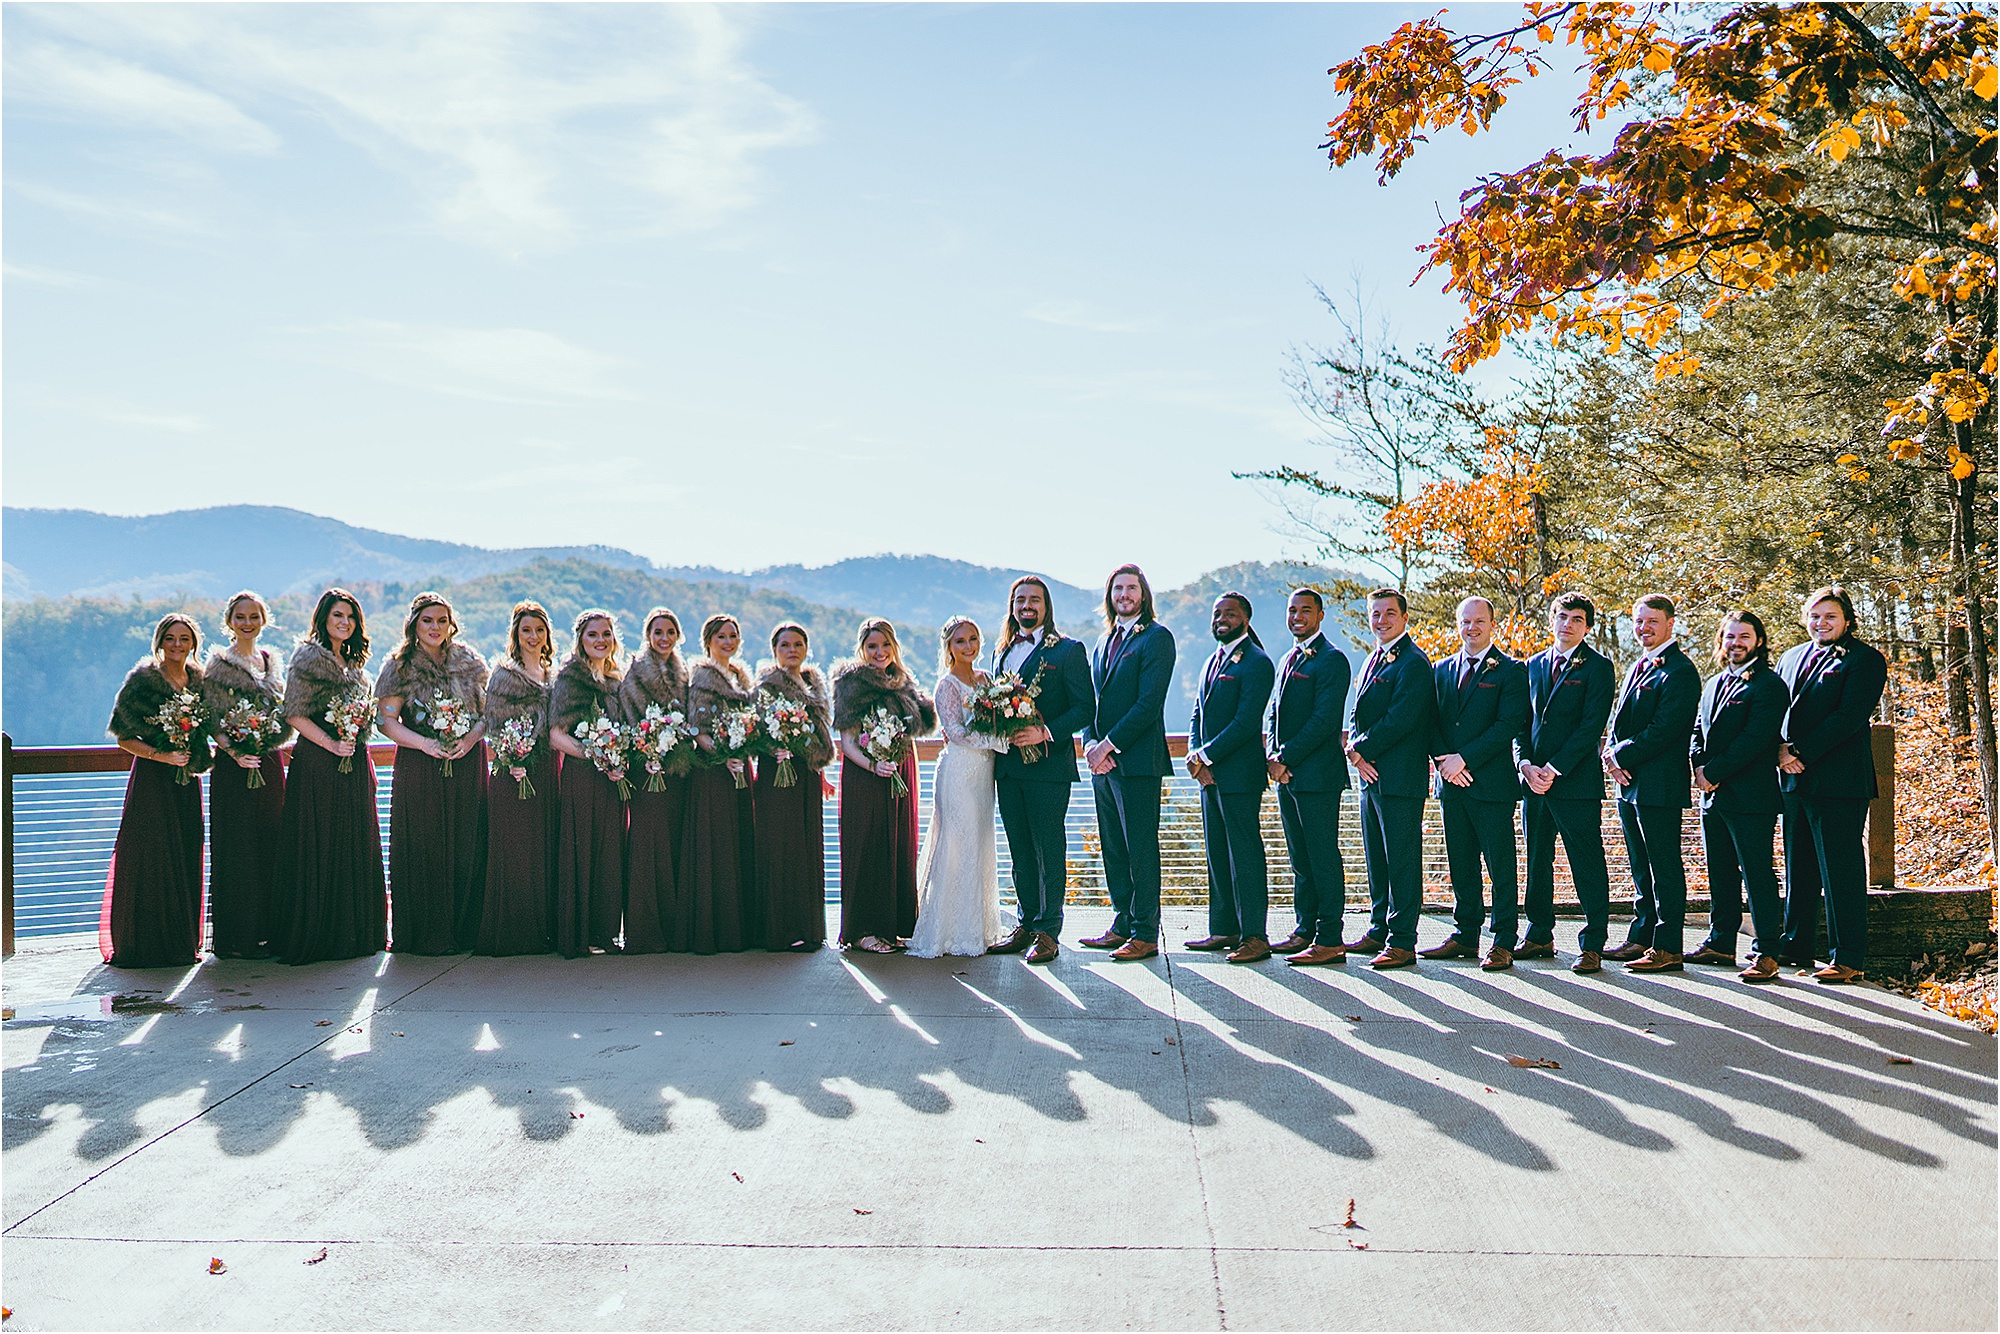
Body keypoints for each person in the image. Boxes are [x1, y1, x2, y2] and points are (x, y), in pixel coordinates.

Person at [1774, 586, 1889, 984]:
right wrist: (1779, 752)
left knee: (1840, 870)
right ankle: (1795, 944)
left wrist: (1799, 751)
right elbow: (1772, 708)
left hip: (1839, 781)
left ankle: (1848, 956)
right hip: (1791, 780)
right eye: (1815, 616)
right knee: (1798, 866)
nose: (1821, 623)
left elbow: (1849, 717)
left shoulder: (1866, 660)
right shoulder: (1790, 658)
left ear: (1848, 621)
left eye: (1830, 617)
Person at [274, 589, 388, 965]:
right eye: (338, 615)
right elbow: (293, 713)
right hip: (319, 762)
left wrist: (353, 736)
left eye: (351, 617)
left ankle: (351, 933)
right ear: (323, 618)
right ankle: (319, 933)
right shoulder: (307, 659)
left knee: (352, 839)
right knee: (320, 840)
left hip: (353, 762)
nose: (345, 622)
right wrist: (329, 742)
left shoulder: (355, 663)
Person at [986, 576, 1094, 965]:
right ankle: (1026, 923)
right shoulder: (1001, 652)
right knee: (1019, 851)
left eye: (1034, 600)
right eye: (1020, 600)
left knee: (1049, 849)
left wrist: (1044, 732)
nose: (1026, 606)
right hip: (1008, 769)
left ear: (1046, 607)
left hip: (1049, 770)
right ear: (1012, 606)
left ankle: (1049, 931)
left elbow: (1085, 709)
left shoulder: (1067, 650)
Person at [375, 592, 489, 955]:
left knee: (466, 841)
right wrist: (424, 744)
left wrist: (470, 741)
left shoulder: (470, 662)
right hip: (420, 765)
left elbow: (490, 712)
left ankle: (466, 929)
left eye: (442, 620)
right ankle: (426, 932)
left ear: (451, 624)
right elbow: (386, 722)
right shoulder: (399, 665)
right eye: (428, 620)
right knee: (424, 845)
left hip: (466, 761)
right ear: (414, 624)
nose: (435, 627)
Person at [1421, 597, 1531, 970]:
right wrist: (1444, 762)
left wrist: (1463, 759)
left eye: (1479, 621)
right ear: (1458, 624)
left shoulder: (1511, 671)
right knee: (1462, 863)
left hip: (1491, 784)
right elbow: (1429, 722)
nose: (1472, 627)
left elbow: (1508, 725)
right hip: (1451, 784)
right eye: (1465, 621)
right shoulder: (1440, 670)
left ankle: (1502, 940)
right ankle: (1466, 934)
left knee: (1500, 865)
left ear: (1492, 624)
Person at [101, 613, 212, 968]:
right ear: (159, 642)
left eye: (184, 638)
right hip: (152, 780)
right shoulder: (142, 681)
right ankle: (144, 944)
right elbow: (123, 736)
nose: (177, 645)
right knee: (150, 856)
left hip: (186, 781)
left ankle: (180, 943)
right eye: (170, 638)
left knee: (183, 851)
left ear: (194, 643)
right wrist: (161, 755)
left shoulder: (200, 681)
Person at [1516, 593, 1617, 973]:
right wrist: (1525, 765)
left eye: (1577, 619)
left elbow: (1591, 727)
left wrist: (1553, 768)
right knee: (1537, 861)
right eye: (1561, 616)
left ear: (1587, 626)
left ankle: (1593, 943)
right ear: (1551, 620)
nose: (1567, 624)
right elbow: (1520, 724)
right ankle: (1539, 933)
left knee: (1586, 862)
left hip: (1575, 783)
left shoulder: (1598, 667)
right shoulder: (1532, 665)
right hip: (1533, 784)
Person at [1081, 564, 1177, 963]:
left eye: (1131, 588)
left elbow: (1148, 704)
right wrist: (1089, 744)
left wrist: (1108, 745)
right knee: (1113, 848)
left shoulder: (1157, 638)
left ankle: (1144, 932)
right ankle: (1122, 921)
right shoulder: (1104, 642)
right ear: (1110, 596)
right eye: (1118, 588)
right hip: (1103, 764)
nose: (1124, 594)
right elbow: (1092, 701)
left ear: (1143, 594)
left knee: (1140, 847)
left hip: (1138, 761)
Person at [1602, 593, 1701, 973]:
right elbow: (1620, 720)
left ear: (1670, 624)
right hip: (1628, 783)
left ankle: (1668, 945)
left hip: (1658, 783)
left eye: (1651, 622)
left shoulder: (1679, 671)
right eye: (1639, 622)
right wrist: (1611, 757)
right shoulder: (1638, 665)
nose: (1643, 628)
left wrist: (1621, 755)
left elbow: (1665, 729)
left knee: (1663, 865)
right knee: (1640, 866)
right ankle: (1641, 936)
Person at [1688, 609, 1788, 979]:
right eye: (1730, 636)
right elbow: (1698, 729)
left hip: (1751, 796)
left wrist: (1713, 772)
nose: (1736, 643)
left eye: (1744, 636)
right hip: (1712, 795)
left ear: (1758, 641)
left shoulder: (1768, 685)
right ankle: (1720, 941)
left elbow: (1755, 739)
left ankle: (1766, 951)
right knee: (1720, 872)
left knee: (1756, 872)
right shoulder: (1714, 682)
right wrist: (1698, 767)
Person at [908, 616, 1013, 958]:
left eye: (972, 639)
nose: (968, 646)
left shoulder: (987, 680)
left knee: (980, 842)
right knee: (957, 845)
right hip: (958, 772)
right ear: (949, 648)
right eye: (960, 641)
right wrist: (998, 740)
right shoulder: (947, 685)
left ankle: (977, 929)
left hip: (984, 775)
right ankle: (947, 932)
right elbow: (953, 730)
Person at [833, 619, 936, 953]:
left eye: (886, 646)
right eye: (872, 646)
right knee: (868, 845)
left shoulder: (904, 684)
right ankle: (863, 930)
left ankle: (893, 926)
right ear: (862, 649)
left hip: (901, 771)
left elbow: (922, 725)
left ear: (895, 648)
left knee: (898, 844)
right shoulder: (851, 684)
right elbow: (847, 742)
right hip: (866, 776)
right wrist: (873, 764)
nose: (880, 653)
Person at [1345, 589, 1435, 969]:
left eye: (1388, 614)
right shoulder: (1372, 658)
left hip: (1399, 777)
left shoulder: (1413, 662)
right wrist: (1353, 746)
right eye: (1375, 614)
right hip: (1370, 776)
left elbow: (1402, 718)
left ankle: (1402, 940)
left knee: (1401, 860)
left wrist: (1361, 747)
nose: (1380, 621)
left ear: (1404, 618)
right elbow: (1356, 713)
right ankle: (1379, 928)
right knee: (1376, 860)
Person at [1184, 592, 1276, 963]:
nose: (1222, 619)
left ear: (1246, 619)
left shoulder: (1256, 662)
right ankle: (1224, 928)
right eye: (1217, 613)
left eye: (1230, 613)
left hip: (1240, 776)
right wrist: (1194, 754)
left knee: (1245, 854)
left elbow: (1245, 722)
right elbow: (1197, 714)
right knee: (1217, 853)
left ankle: (1255, 935)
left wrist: (1207, 754)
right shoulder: (1211, 660)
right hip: (1210, 776)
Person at [1265, 588, 1355, 966]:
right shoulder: (1288, 657)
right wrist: (1272, 753)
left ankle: (1330, 937)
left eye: (1306, 610)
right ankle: (1305, 929)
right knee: (1300, 857)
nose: (1298, 616)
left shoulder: (1333, 660)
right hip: (1287, 776)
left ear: (1320, 615)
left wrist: (1284, 757)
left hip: (1317, 776)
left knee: (1322, 856)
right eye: (1292, 610)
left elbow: (1324, 721)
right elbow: (1272, 711)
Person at [202, 591, 290, 959]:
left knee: (272, 842)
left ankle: (271, 932)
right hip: (234, 766)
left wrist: (267, 739)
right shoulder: (219, 665)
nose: (247, 622)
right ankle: (238, 937)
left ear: (263, 619)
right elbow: (210, 717)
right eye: (240, 616)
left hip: (267, 763)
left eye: (254, 616)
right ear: (229, 622)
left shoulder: (271, 662)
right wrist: (235, 751)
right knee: (237, 847)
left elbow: (284, 711)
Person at [476, 600, 558, 957]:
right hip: (514, 772)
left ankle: (544, 933)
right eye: (527, 630)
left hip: (547, 771)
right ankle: (513, 933)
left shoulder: (554, 678)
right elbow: (493, 725)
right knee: (516, 851)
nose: (533, 636)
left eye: (539, 630)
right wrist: (511, 758)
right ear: (515, 634)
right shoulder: (503, 677)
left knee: (544, 847)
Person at [679, 614, 761, 953]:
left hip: (739, 770)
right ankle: (714, 930)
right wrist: (724, 754)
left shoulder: (741, 676)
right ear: (708, 641)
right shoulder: (702, 677)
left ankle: (739, 928)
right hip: (713, 773)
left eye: (733, 636)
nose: (728, 642)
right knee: (716, 847)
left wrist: (742, 750)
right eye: (721, 637)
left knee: (739, 842)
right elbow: (697, 729)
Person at [550, 609, 628, 957]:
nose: (600, 641)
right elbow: (555, 736)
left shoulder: (616, 680)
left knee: (610, 851)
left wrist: (618, 760)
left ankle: (606, 932)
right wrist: (595, 754)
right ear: (581, 639)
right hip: (582, 777)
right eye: (593, 635)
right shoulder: (569, 679)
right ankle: (578, 932)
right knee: (582, 849)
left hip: (611, 781)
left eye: (606, 634)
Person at [754, 622, 836, 952]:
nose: (792, 649)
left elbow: (820, 735)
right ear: (774, 650)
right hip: (777, 771)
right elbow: (755, 729)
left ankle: (809, 928)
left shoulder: (815, 685)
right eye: (785, 644)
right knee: (780, 846)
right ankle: (779, 929)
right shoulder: (765, 686)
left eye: (798, 644)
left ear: (806, 648)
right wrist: (772, 745)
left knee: (806, 846)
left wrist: (821, 768)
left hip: (806, 772)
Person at [618, 608, 690, 955]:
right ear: (648, 635)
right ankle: (645, 930)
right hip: (645, 770)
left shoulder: (684, 672)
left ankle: (675, 927)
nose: (664, 638)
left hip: (677, 771)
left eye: (670, 632)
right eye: (658, 632)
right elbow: (629, 718)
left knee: (675, 841)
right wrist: (647, 749)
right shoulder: (635, 673)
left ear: (678, 636)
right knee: (648, 843)